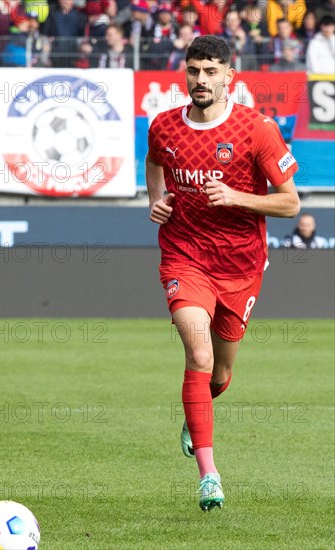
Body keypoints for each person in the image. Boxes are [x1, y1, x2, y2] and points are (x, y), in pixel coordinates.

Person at [146, 35, 300, 512]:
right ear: (185, 74)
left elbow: (290, 202)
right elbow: (154, 163)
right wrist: (156, 199)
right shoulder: (165, 127)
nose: (201, 80)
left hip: (240, 266)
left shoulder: (257, 130)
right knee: (198, 349)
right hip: (185, 255)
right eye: (194, 71)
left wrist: (238, 197)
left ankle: (198, 415)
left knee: (222, 371)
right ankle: (209, 475)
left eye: (212, 72)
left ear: (229, 76)